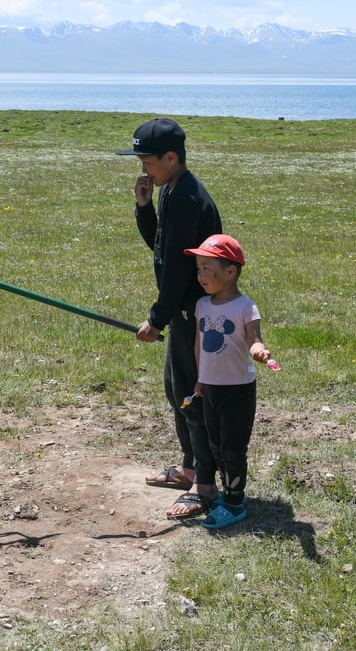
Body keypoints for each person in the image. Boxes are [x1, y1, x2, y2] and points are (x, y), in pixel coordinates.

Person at [116, 118, 223, 519]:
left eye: (147, 161)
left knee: (192, 395)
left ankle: (205, 485)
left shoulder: (186, 198)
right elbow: (161, 247)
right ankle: (189, 465)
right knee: (174, 388)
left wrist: (156, 319)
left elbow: (179, 270)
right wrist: (144, 208)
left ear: (171, 157)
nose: (143, 168)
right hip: (182, 309)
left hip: (194, 311)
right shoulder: (169, 192)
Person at [184, 234, 270, 529]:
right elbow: (199, 345)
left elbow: (254, 339)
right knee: (217, 445)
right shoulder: (202, 305)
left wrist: (258, 349)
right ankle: (232, 494)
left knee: (233, 447)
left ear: (230, 271)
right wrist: (200, 378)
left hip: (237, 390)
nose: (200, 275)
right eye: (198, 268)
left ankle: (234, 503)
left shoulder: (246, 307)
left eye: (207, 268)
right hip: (211, 386)